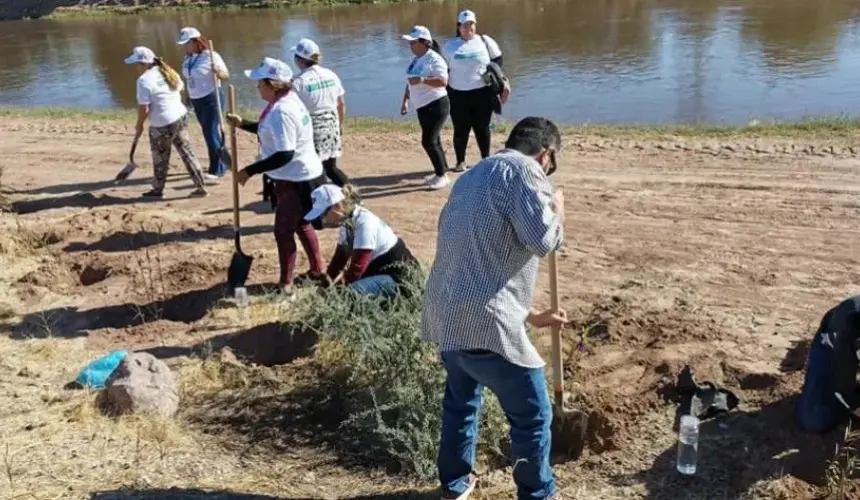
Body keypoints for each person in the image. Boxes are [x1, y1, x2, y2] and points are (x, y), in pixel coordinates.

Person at [420, 116, 566, 500]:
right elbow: (543, 240)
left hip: (448, 315)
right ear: (545, 154)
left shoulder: (470, 176)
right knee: (533, 416)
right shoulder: (527, 172)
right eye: (551, 164)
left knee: (461, 404)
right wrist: (558, 209)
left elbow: (480, 256)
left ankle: (455, 484)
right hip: (486, 322)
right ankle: (537, 494)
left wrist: (532, 315)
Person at [226, 57, 326, 297]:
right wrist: (243, 124)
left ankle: (286, 285)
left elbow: (285, 154)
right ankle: (317, 270)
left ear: (272, 84)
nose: (257, 87)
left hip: (296, 180)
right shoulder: (285, 101)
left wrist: (250, 170)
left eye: (260, 83)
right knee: (302, 224)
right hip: (303, 174)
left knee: (283, 231)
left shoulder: (282, 111)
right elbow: (268, 130)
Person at [301, 183, 420, 298]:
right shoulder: (347, 222)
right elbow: (339, 260)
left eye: (324, 214)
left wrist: (335, 293)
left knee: (351, 294)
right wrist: (325, 286)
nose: (324, 219)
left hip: (400, 278)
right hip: (380, 272)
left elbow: (357, 268)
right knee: (347, 291)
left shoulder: (364, 222)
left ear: (336, 206)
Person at [125, 46, 207, 199]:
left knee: (160, 158)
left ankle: (158, 190)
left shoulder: (143, 81)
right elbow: (178, 89)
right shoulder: (168, 70)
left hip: (162, 123)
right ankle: (201, 186)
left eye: (136, 64)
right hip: (180, 116)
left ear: (144, 64)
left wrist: (140, 124)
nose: (136, 68)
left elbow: (144, 108)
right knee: (187, 153)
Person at [442, 9, 511, 172]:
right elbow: (442, 68)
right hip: (457, 94)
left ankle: (485, 158)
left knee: (483, 128)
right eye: (464, 25)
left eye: (471, 24)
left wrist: (496, 79)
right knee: (461, 129)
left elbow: (498, 61)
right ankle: (460, 162)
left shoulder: (485, 41)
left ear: (475, 25)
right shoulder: (449, 46)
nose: (468, 28)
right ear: (458, 27)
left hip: (482, 93)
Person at [291, 38, 350, 187]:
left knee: (313, 170)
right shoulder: (331, 75)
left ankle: (319, 202)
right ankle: (352, 195)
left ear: (299, 59)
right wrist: (340, 125)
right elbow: (341, 103)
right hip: (331, 124)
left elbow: (292, 111)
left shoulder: (297, 82)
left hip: (312, 128)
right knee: (331, 168)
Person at [796, 295, 860, 433]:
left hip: (851, 350)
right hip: (831, 347)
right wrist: (854, 406)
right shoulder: (851, 322)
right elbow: (843, 375)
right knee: (814, 419)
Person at [399, 26, 451, 191]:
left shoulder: (435, 59)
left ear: (424, 43)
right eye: (410, 42)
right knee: (435, 140)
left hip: (436, 104)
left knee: (428, 141)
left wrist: (423, 80)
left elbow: (443, 81)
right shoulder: (415, 59)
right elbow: (409, 82)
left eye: (413, 42)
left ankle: (442, 176)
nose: (411, 45)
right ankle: (441, 171)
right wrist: (405, 101)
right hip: (422, 106)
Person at [176, 26, 230, 181]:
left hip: (211, 98)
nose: (184, 47)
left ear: (196, 41)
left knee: (211, 133)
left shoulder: (211, 56)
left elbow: (226, 75)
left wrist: (217, 72)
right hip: (196, 99)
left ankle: (217, 170)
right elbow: (188, 79)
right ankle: (223, 163)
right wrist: (188, 97)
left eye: (187, 43)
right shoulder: (188, 58)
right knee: (208, 132)